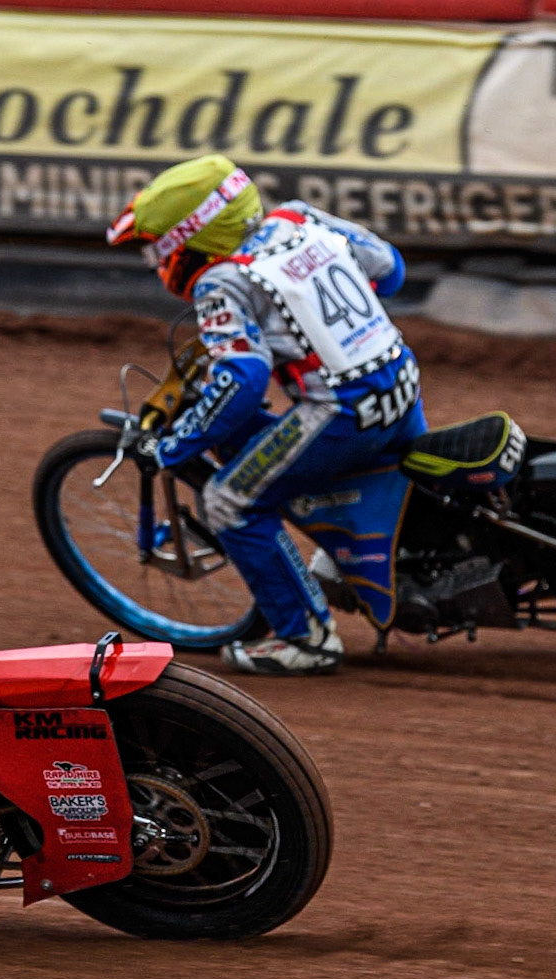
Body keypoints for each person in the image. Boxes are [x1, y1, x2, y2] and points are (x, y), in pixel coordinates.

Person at [106, 154, 430, 675]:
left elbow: (241, 380)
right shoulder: (301, 217)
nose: (156, 262)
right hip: (402, 384)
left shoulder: (222, 283)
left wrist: (174, 445)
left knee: (229, 500)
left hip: (342, 414)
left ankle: (306, 639)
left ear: (188, 240)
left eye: (157, 249)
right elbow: (390, 270)